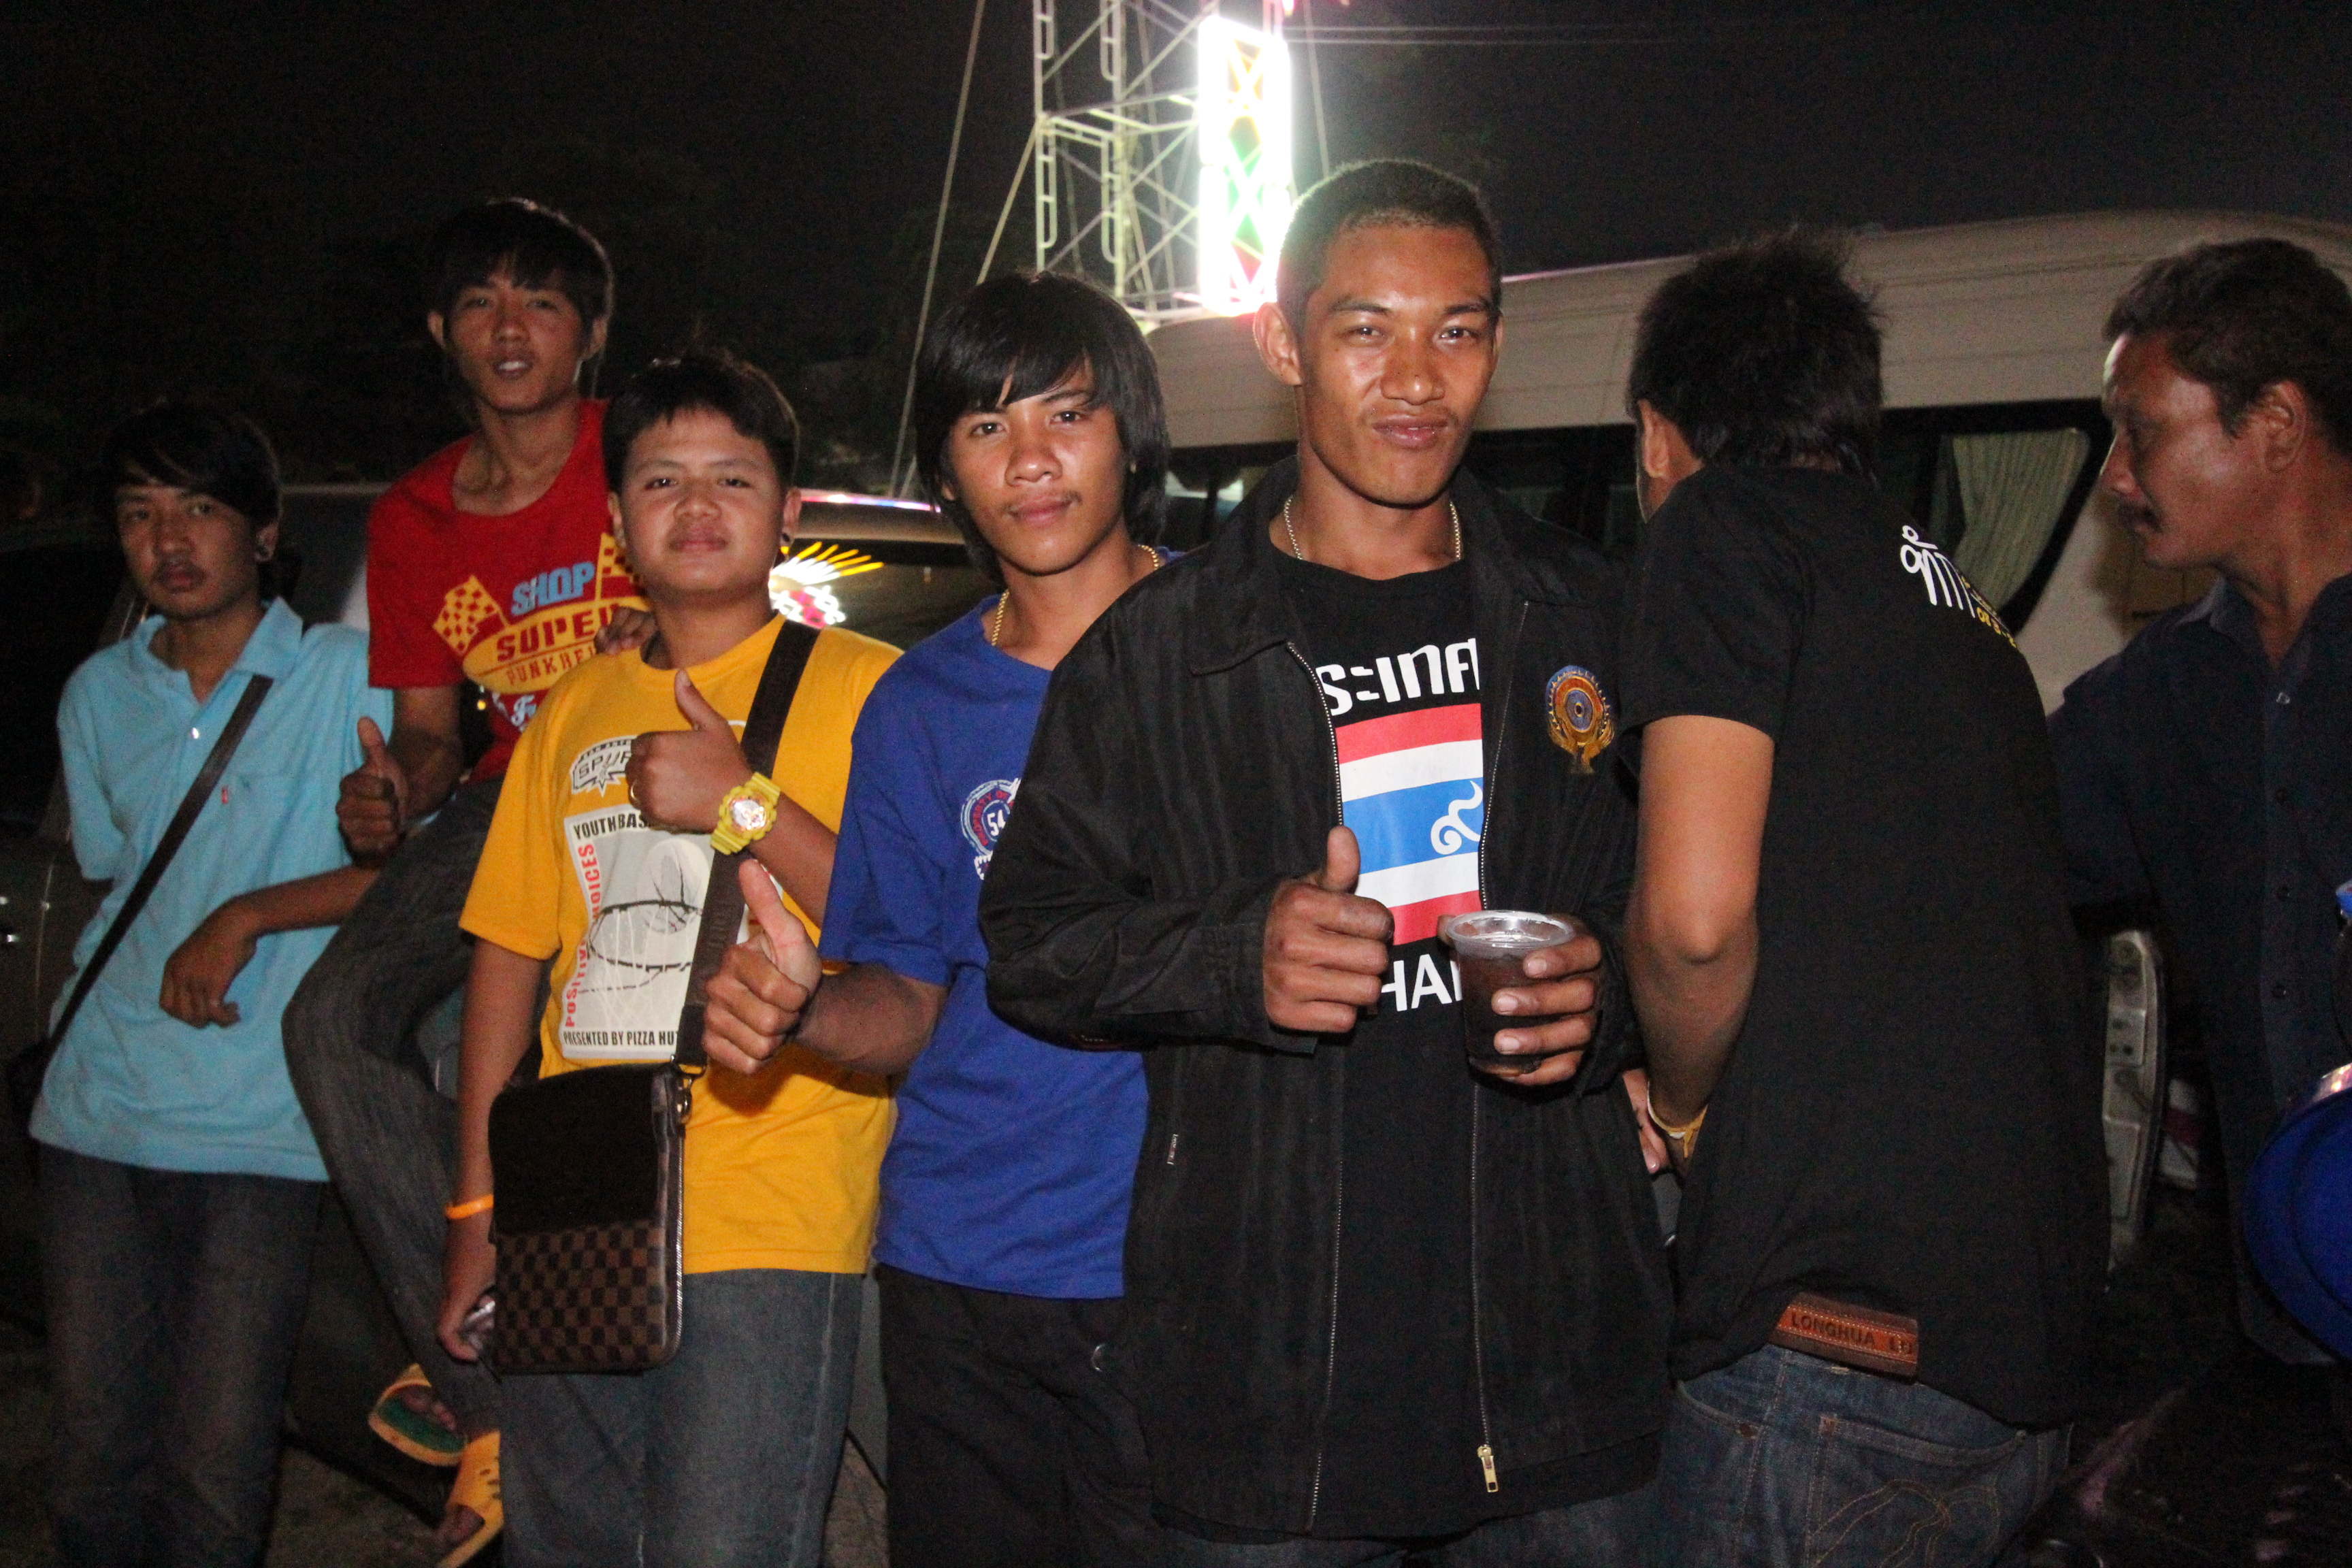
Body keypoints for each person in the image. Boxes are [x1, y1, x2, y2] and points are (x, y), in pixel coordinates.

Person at [975, 161, 1669, 1564]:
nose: (1417, 379)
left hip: (1553, 1366)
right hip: (1268, 1378)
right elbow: (1032, 942)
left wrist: (1611, 1005)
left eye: (1458, 330)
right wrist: (1238, 957)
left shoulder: (1587, 613)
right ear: (1284, 342)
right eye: (1366, 330)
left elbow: (1683, 913)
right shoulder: (1160, 651)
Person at [1618, 231, 2104, 1566]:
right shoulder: (1957, 603)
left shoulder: (1719, 527)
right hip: (2016, 1360)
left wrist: (1686, 1109)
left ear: (1658, 433)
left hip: (1834, 1371)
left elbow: (1694, 924)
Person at [691, 271, 1174, 1567]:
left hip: (1191, 1262)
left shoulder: (1240, 647)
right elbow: (906, 995)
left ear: (1132, 430)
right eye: (986, 426)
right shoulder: (919, 704)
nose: (1031, 460)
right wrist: (802, 1007)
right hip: (963, 1267)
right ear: (947, 471)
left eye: (1067, 413)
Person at [440, 349, 898, 1567]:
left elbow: (909, 937)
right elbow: (508, 963)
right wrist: (479, 1209)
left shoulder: (874, 692)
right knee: (569, 1544)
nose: (697, 506)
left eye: (733, 478)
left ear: (789, 509)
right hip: (573, 1193)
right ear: (616, 520)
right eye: (661, 481)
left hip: (770, 1202)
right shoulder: (572, 708)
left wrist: (743, 801)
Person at [279, 197, 639, 1565]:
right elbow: (433, 735)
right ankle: (480, 1393)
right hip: (499, 807)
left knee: (514, 1052)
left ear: (590, 332)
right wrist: (394, 795)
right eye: (481, 301)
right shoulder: (417, 515)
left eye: (541, 299)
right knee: (330, 1019)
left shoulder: (636, 450)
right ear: (442, 330)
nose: (510, 326)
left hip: (642, 786)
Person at [33, 404, 391, 1566]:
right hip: (97, 1112)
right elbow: (114, 874)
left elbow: (412, 875)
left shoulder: (348, 676)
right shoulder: (98, 693)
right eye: (139, 514)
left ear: (265, 531)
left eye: (199, 507)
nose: (169, 539)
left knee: (216, 1468)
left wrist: (248, 914)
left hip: (258, 1126)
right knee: (93, 1455)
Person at [2051, 238, 2352, 1371]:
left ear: (2274, 424)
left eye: (2142, 432)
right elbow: (1980, 842)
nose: (2115, 478)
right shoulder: (2160, 693)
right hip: (2299, 1311)